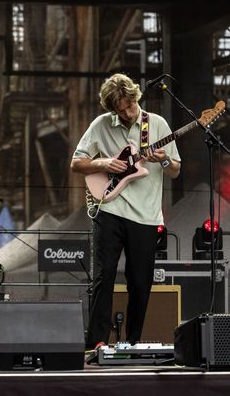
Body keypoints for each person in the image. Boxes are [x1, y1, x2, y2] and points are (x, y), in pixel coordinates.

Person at [70, 73, 181, 348]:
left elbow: (176, 171)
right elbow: (77, 162)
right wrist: (105, 163)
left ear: (135, 98)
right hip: (109, 208)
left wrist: (164, 159)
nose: (127, 113)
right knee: (103, 278)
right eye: (120, 110)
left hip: (145, 215)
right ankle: (95, 343)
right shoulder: (102, 124)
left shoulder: (156, 124)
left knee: (141, 283)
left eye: (130, 106)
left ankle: (132, 342)